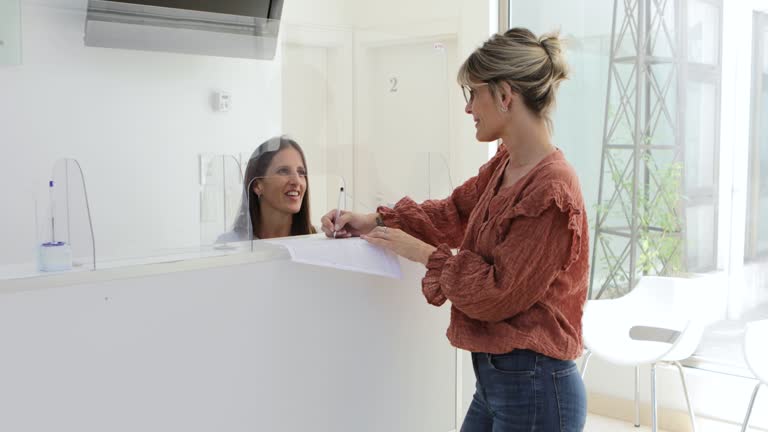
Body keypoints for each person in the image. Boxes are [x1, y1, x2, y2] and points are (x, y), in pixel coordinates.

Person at [321, 28, 588, 431]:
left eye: (473, 93)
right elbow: (453, 212)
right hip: (501, 382)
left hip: (535, 386)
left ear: (504, 94)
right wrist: (373, 220)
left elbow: (498, 293)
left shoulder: (552, 191)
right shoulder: (505, 166)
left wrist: (424, 254)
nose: (468, 109)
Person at [219, 136, 315, 242]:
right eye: (283, 171)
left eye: (301, 172)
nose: (296, 181)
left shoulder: (319, 239)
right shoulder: (229, 245)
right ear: (257, 185)